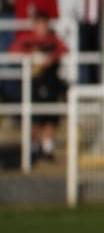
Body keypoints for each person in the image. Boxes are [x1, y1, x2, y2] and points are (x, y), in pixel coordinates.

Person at [9, 11, 68, 161]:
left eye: (44, 24)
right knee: (33, 117)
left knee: (50, 117)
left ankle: (47, 148)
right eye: (39, 24)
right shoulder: (27, 40)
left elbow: (64, 50)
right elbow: (13, 51)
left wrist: (51, 58)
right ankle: (33, 149)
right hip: (33, 83)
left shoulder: (52, 40)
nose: (42, 28)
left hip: (50, 82)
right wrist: (30, 56)